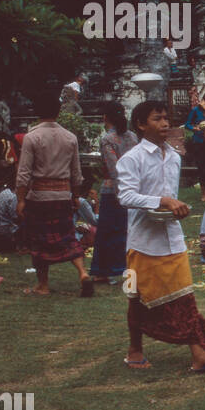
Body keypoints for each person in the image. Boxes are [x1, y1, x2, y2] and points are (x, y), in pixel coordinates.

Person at [118, 100, 205, 371]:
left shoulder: (175, 157)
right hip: (141, 242)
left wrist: (176, 206)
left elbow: (172, 198)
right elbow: (125, 196)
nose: (165, 124)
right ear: (141, 125)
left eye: (167, 118)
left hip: (172, 238)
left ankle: (199, 354)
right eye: (158, 119)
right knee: (135, 298)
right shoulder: (131, 159)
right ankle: (134, 351)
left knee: (184, 298)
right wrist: (163, 201)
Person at [16, 90, 92, 296]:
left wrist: (20, 199)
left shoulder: (32, 137)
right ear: (59, 111)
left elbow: (23, 173)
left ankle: (43, 285)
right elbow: (77, 173)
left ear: (36, 111)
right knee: (68, 236)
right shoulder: (70, 137)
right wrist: (76, 196)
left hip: (39, 197)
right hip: (63, 195)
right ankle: (83, 273)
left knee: (39, 240)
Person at [91, 105, 137, 282]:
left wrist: (120, 191)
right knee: (125, 230)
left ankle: (105, 271)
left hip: (113, 190)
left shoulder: (107, 139)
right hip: (132, 188)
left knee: (107, 232)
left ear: (105, 118)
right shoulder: (132, 137)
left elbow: (114, 168)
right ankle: (124, 267)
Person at [185, 91, 205, 198]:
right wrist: (194, 128)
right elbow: (187, 124)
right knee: (202, 167)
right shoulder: (195, 111)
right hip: (199, 142)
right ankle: (204, 192)